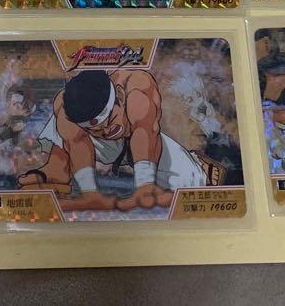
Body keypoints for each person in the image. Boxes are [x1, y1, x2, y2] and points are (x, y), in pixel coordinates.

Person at [17, 67, 205, 211]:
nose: (106, 131)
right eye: (98, 128)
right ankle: (56, 173)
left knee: (193, 182)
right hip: (103, 146)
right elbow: (76, 142)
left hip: (145, 141)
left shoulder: (137, 85)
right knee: (62, 116)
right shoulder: (67, 105)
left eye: (109, 121)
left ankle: (169, 179)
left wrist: (145, 186)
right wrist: (90, 194)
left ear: (120, 96)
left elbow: (145, 132)